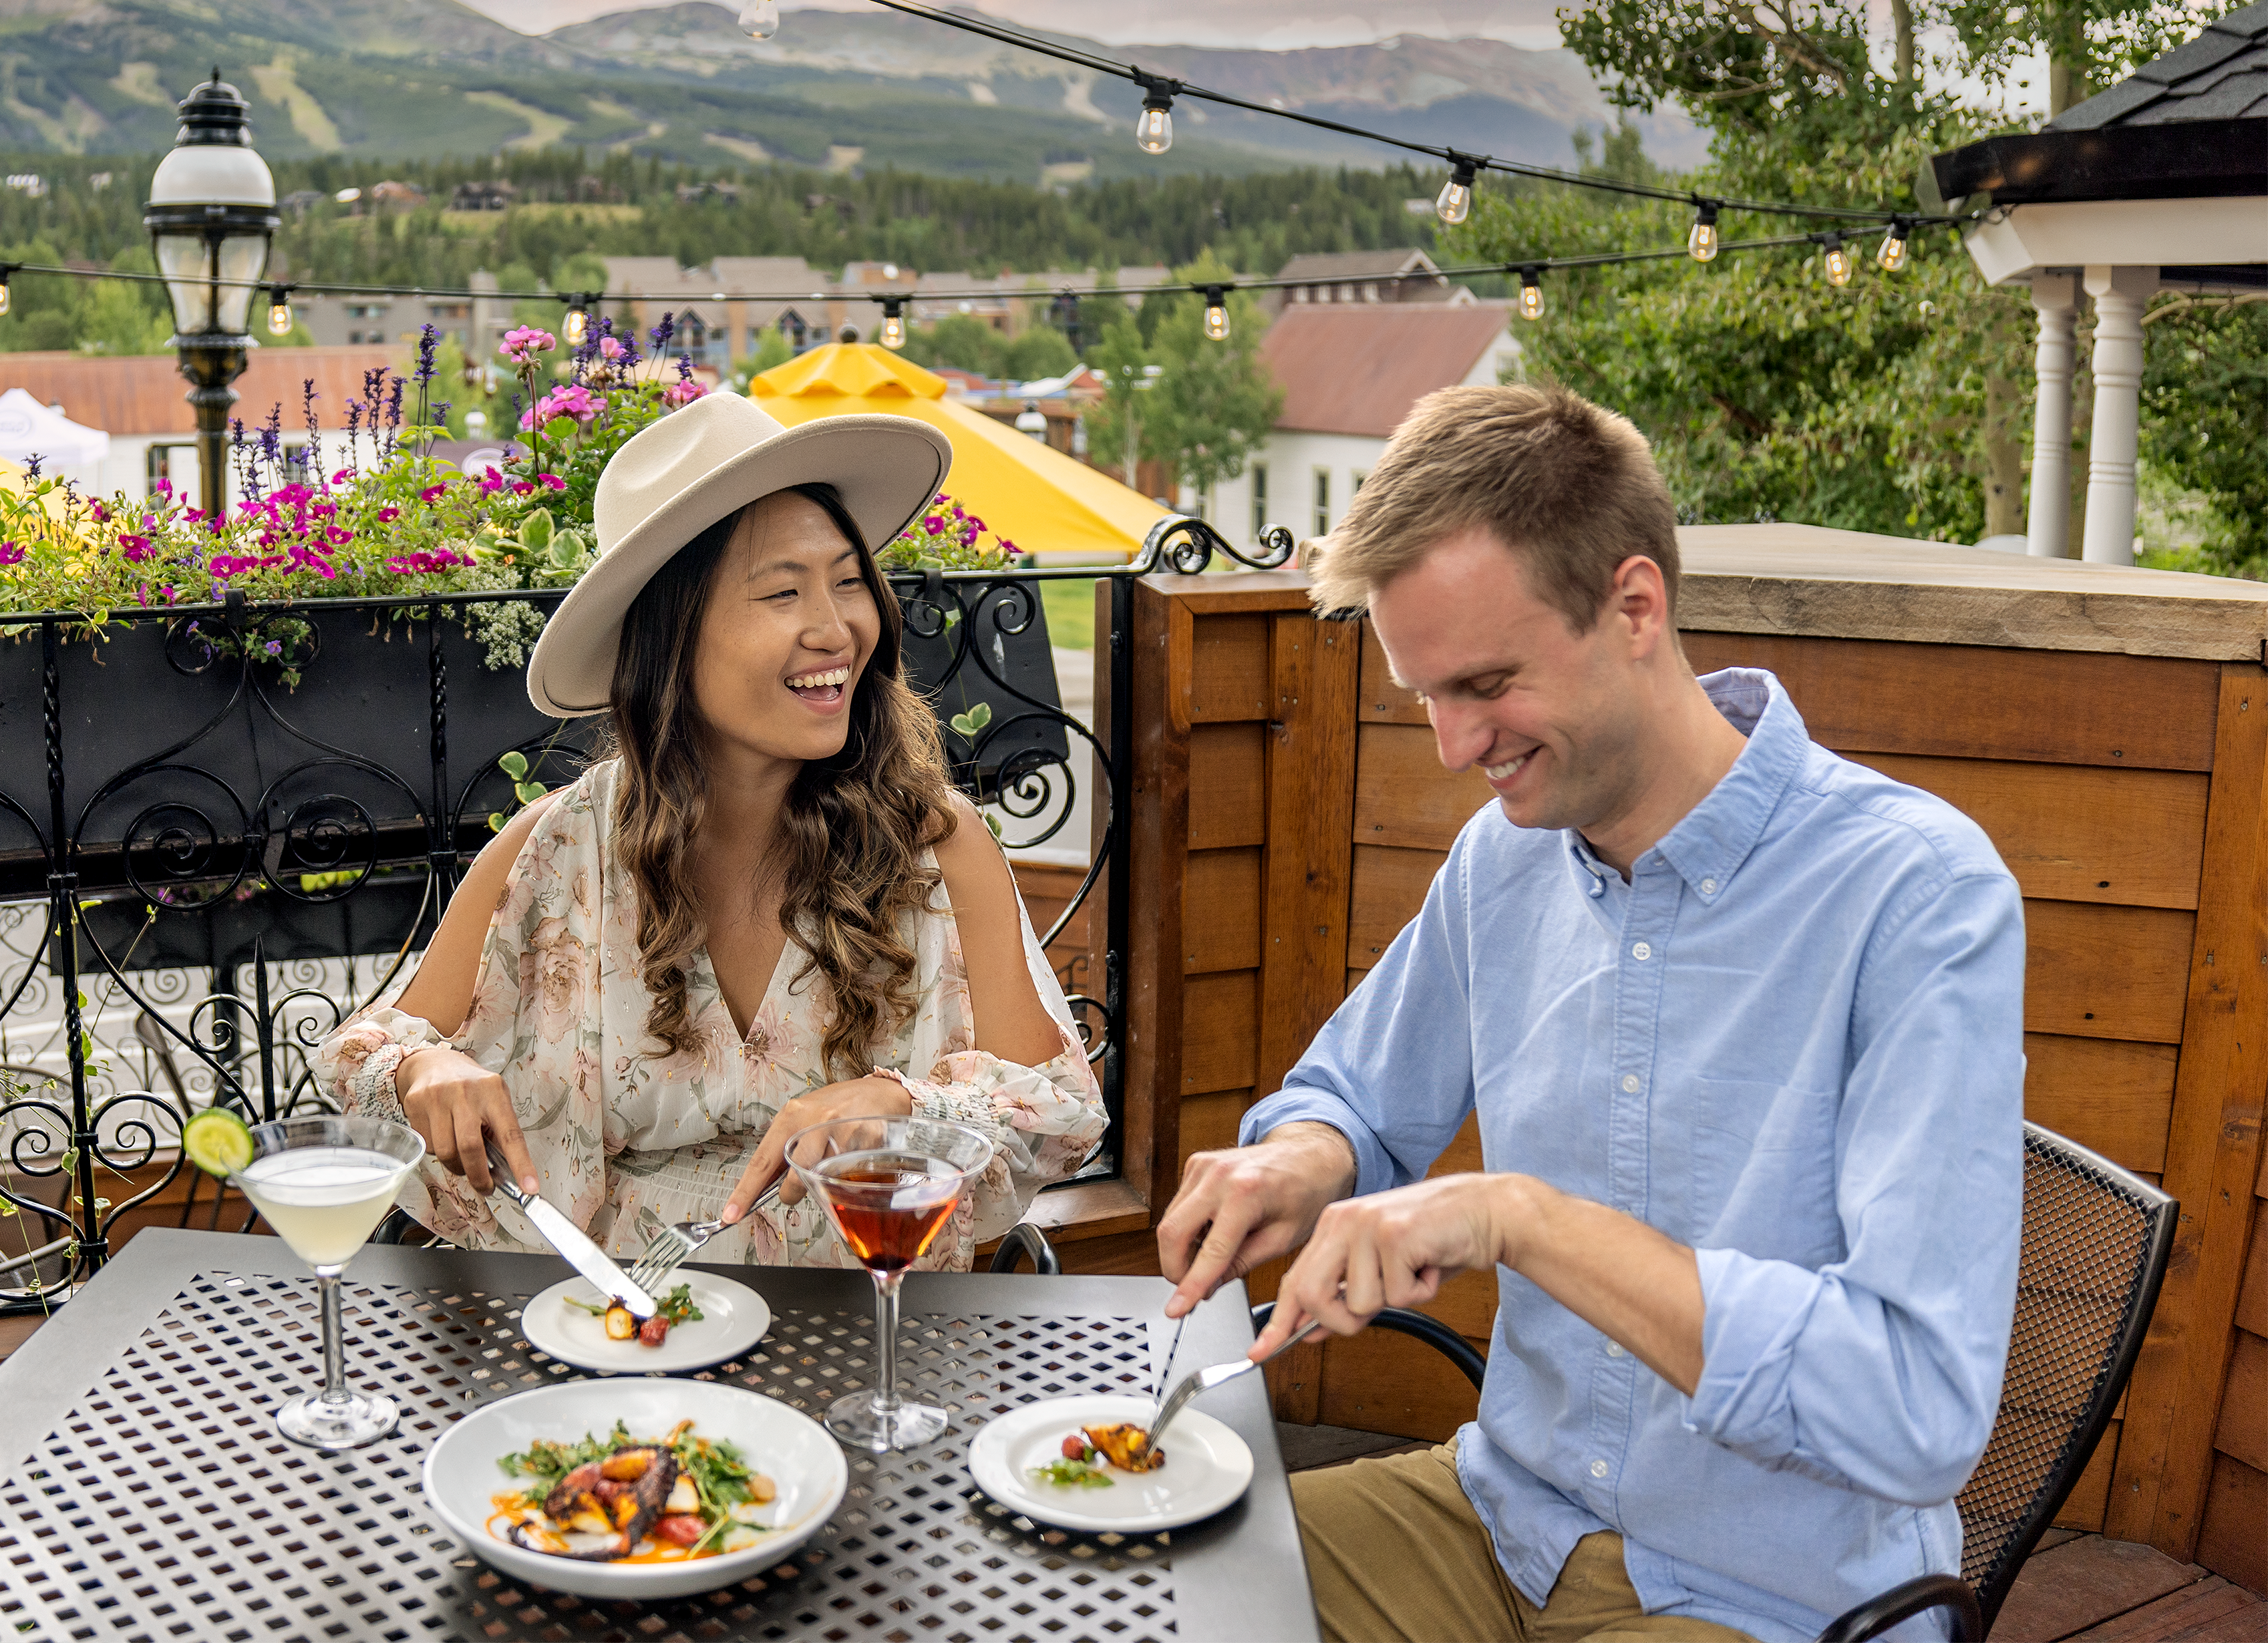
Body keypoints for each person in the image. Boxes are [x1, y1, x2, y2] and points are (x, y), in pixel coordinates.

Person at [1157, 384, 2023, 1643]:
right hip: (1505, 1516)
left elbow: (1913, 1405)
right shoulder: (1504, 858)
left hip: (1766, 1597)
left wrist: (1523, 1219)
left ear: (1633, 606)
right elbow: (1356, 1095)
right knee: (1129, 1583)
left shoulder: (1918, 895)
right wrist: (1301, 1159)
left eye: (1487, 683)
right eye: (1426, 697)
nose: (1455, 745)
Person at [314, 388, 1106, 1268]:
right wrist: (425, 1070)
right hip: (612, 1336)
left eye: (848, 582)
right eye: (782, 592)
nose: (836, 627)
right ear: (671, 639)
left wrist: (906, 1107)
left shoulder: (936, 846)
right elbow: (360, 1054)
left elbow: (1063, 1112)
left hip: (868, 1338)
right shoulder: (558, 848)